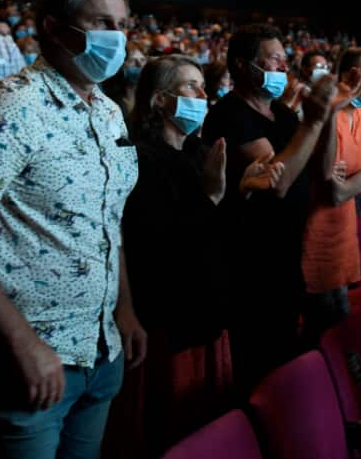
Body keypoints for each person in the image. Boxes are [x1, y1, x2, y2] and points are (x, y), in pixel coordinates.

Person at [0, 0, 146, 459]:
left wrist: (123, 309)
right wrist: (21, 342)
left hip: (99, 348)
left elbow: (107, 220)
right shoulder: (11, 108)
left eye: (123, 24)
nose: (117, 37)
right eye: (101, 23)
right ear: (53, 26)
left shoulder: (107, 110)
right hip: (24, 360)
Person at [121, 55, 283, 452]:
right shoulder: (137, 157)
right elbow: (157, 244)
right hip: (170, 315)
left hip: (210, 304)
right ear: (160, 101)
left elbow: (220, 232)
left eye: (201, 85)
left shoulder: (201, 152)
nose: (203, 94)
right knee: (172, 431)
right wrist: (211, 196)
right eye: (191, 86)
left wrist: (241, 189)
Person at [201, 23, 356, 391]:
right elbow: (280, 181)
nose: (283, 69)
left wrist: (330, 115)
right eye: (273, 60)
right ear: (243, 66)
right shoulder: (231, 115)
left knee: (286, 356)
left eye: (285, 61)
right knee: (259, 366)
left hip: (288, 256)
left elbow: (321, 169)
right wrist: (314, 120)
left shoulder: (284, 116)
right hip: (251, 265)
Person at [301, 48, 361, 340]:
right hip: (317, 235)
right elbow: (327, 182)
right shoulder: (329, 116)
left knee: (342, 327)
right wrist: (351, 185)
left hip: (345, 233)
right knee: (322, 328)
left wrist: (347, 185)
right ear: (348, 75)